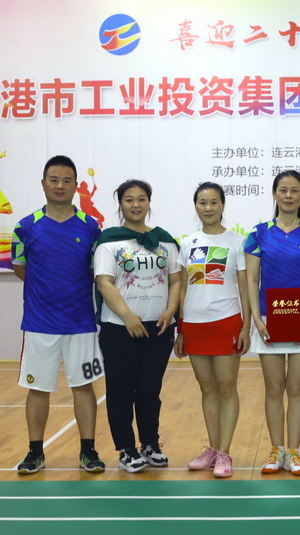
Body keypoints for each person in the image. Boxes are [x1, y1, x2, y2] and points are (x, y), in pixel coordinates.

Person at [11, 155, 105, 474]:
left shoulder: (91, 227)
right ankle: (35, 452)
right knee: (38, 388)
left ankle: (88, 451)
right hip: (39, 324)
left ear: (76, 186)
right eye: (54, 180)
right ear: (43, 184)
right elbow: (21, 269)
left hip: (81, 324)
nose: (60, 186)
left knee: (84, 386)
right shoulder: (25, 227)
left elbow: (95, 271)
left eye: (67, 180)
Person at [245, 170, 300, 476]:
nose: (289, 195)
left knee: (296, 388)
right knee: (273, 388)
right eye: (283, 190)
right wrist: (257, 319)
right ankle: (276, 449)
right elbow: (251, 280)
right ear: (274, 194)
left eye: (294, 190)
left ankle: (294, 451)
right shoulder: (258, 233)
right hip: (268, 321)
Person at [93, 180, 181, 473]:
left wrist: (171, 310)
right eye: (129, 199)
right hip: (120, 328)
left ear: (149, 203)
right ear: (120, 204)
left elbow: (176, 280)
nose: (135, 205)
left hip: (159, 328)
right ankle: (126, 449)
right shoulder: (109, 242)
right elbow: (104, 282)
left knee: (149, 390)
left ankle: (150, 443)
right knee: (120, 390)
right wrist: (128, 317)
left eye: (141, 199)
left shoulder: (165, 241)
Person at [174, 182, 251, 478]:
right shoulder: (187, 242)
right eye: (202, 202)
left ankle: (225, 453)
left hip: (226, 321)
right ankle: (213, 448)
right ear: (196, 206)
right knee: (207, 389)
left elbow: (244, 287)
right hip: (194, 325)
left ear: (222, 205)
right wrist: (181, 328)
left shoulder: (238, 242)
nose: (208, 208)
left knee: (227, 388)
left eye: (214, 202)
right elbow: (183, 288)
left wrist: (245, 326)